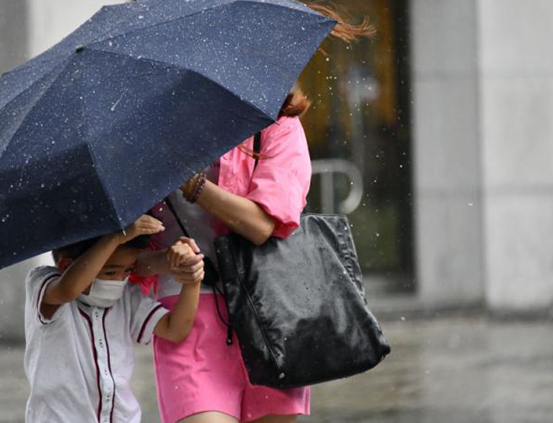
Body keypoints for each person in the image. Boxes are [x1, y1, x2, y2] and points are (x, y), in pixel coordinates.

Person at [134, 8, 374, 421]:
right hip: (187, 313)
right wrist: (165, 261)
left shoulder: (278, 127)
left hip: (272, 310)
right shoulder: (152, 133)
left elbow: (263, 225)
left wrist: (194, 185)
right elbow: (128, 254)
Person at [23, 214, 204, 423]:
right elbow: (68, 290)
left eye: (128, 271)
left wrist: (192, 279)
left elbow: (175, 330)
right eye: (110, 273)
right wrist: (114, 238)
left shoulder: (126, 295)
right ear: (65, 266)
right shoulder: (42, 283)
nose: (120, 280)